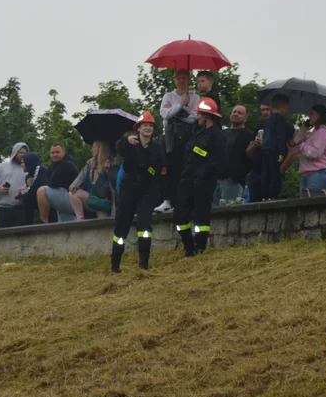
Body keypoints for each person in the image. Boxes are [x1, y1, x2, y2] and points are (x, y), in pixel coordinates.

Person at [110, 111, 165, 273]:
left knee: (145, 226)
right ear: (138, 128)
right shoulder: (129, 143)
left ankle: (144, 265)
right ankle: (115, 266)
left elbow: (160, 169)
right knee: (121, 228)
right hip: (128, 191)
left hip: (147, 192)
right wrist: (127, 140)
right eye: (145, 125)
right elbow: (118, 147)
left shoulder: (157, 148)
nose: (148, 128)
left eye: (150, 125)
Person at [173, 98, 225, 256]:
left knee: (201, 218)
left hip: (204, 183)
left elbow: (215, 161)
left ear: (207, 116)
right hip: (187, 180)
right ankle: (189, 246)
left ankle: (199, 248)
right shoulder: (196, 132)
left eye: (199, 114)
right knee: (179, 217)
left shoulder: (217, 136)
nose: (197, 117)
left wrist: (201, 172)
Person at [156, 69, 200, 213]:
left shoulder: (195, 97)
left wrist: (175, 113)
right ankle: (167, 200)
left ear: (188, 80)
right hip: (170, 138)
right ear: (175, 80)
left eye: (184, 78)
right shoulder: (168, 96)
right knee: (169, 168)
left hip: (186, 138)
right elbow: (164, 114)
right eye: (179, 78)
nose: (182, 81)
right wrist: (181, 105)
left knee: (184, 169)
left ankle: (182, 201)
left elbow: (193, 117)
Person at [288, 105, 326, 197]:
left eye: (312, 113)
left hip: (317, 174)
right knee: (306, 208)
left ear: (320, 115)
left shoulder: (322, 132)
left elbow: (315, 153)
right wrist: (303, 130)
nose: (309, 116)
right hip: (308, 174)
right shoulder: (314, 133)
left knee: (312, 208)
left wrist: (300, 144)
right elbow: (296, 148)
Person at [216, 104, 254, 206]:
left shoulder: (248, 135)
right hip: (216, 180)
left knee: (228, 214)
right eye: (234, 111)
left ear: (246, 118)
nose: (236, 114)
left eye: (240, 113)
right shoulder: (223, 133)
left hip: (233, 183)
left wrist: (235, 177)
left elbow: (251, 159)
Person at [68, 141, 117, 220]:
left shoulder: (111, 163)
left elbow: (114, 187)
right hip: (91, 198)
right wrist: (74, 185)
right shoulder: (90, 162)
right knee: (73, 193)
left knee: (102, 225)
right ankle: (80, 219)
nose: (92, 150)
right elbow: (81, 176)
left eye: (94, 147)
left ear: (100, 149)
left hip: (103, 202)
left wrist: (109, 169)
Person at [258, 95, 293, 201]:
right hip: (275, 150)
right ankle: (273, 195)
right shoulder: (280, 120)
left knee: (266, 173)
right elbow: (280, 136)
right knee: (274, 174)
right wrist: (282, 152)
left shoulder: (268, 121)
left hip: (265, 149)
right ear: (282, 106)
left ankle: (264, 195)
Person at [0, 143, 29, 228]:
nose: (22, 155)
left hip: (21, 208)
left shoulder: (28, 168)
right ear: (15, 152)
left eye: (25, 153)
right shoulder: (3, 166)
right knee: (3, 236)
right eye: (20, 152)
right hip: (4, 208)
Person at [37, 143, 80, 223]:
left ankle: (44, 221)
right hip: (66, 198)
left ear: (64, 153)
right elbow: (44, 181)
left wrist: (48, 182)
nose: (55, 155)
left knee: (41, 191)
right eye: (52, 153)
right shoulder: (54, 165)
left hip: (72, 198)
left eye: (57, 152)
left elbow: (52, 183)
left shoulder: (67, 164)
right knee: (66, 228)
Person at [245, 104, 271, 202]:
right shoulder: (259, 127)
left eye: (267, 109)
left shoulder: (278, 128)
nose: (265, 112)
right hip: (255, 172)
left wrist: (264, 145)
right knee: (252, 203)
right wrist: (254, 145)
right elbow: (248, 152)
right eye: (263, 110)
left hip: (270, 172)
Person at [18, 152, 49, 225]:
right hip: (38, 201)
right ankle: (27, 225)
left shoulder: (42, 170)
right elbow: (30, 191)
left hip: (49, 201)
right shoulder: (28, 176)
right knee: (25, 199)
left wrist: (21, 193)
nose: (21, 165)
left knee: (26, 197)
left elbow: (33, 190)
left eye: (23, 163)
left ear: (28, 163)